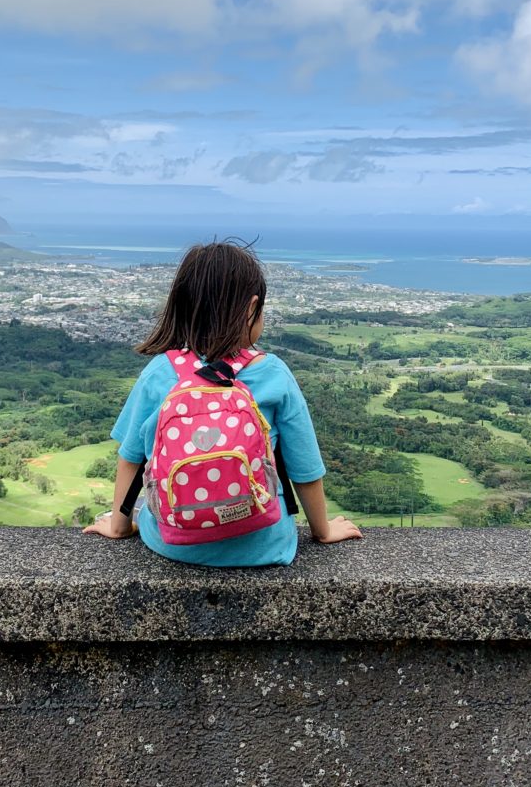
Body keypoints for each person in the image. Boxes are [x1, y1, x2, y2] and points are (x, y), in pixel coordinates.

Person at [83, 239, 362, 565]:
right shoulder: (274, 374)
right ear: (251, 308)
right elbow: (305, 468)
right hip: (264, 545)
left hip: (173, 543)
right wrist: (323, 530)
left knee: (149, 509)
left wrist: (119, 526)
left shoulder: (160, 372)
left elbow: (131, 457)